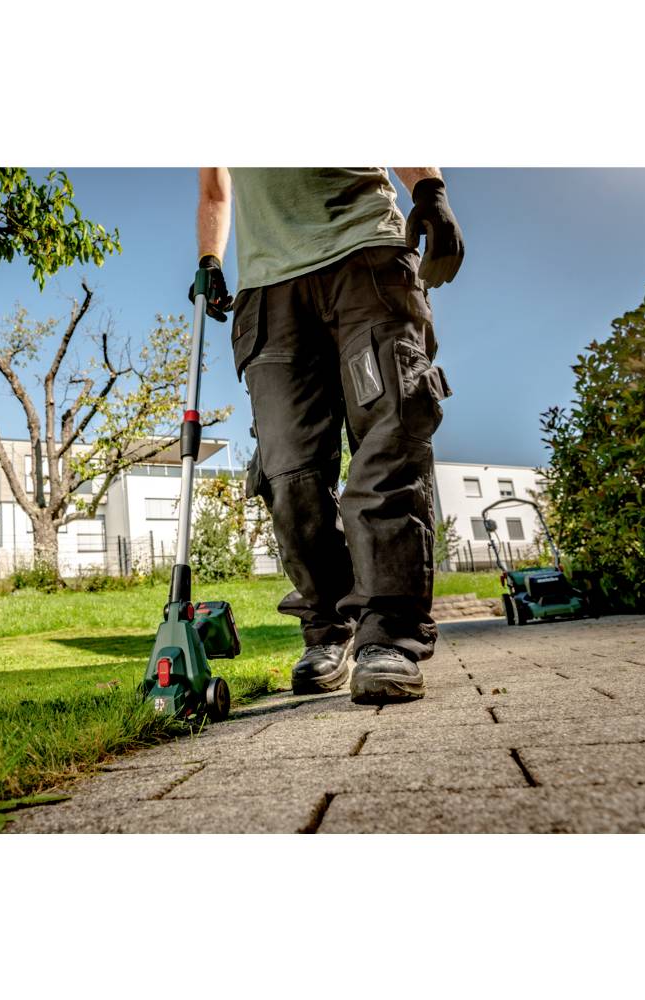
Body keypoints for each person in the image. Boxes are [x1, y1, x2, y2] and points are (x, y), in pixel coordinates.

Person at [192, 167, 464, 703]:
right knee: (287, 471)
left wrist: (430, 191)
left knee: (390, 435)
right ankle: (328, 628)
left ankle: (389, 634)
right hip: (268, 291)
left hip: (366, 257)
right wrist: (210, 258)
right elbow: (215, 189)